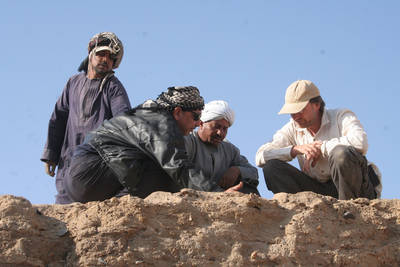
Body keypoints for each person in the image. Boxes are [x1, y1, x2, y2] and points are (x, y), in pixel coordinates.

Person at [65, 86, 236, 203]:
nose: (198, 123)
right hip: (88, 174)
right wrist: (217, 195)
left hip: (83, 176)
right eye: (196, 117)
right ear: (177, 112)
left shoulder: (153, 116)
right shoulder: (161, 123)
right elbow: (178, 167)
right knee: (167, 174)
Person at [41, 32, 131, 204]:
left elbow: (124, 121)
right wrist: (51, 153)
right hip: (68, 160)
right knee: (64, 213)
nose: (105, 60)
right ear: (91, 54)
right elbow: (58, 119)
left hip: (97, 165)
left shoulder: (113, 87)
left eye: (111, 57)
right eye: (101, 54)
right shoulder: (73, 83)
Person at [256, 80, 382, 200]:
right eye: (291, 112)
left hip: (358, 190)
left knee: (341, 154)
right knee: (272, 167)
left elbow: (360, 142)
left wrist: (321, 147)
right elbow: (261, 156)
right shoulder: (291, 128)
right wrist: (294, 150)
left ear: (316, 105)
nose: (295, 116)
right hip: (320, 190)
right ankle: (301, 214)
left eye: (300, 110)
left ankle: (349, 214)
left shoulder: (341, 116)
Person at [185, 100, 259, 194]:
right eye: (216, 127)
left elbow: (253, 172)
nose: (220, 133)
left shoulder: (230, 150)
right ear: (201, 124)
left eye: (225, 129)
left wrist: (237, 171)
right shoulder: (188, 141)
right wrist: (217, 192)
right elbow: (184, 172)